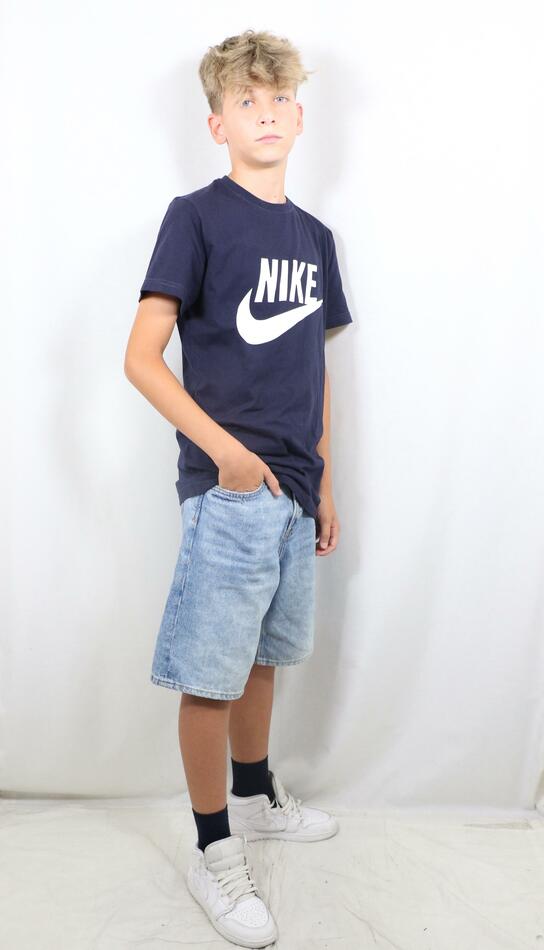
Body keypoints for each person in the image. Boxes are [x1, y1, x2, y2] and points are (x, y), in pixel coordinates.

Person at [124, 28, 353, 949]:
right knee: (211, 675)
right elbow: (142, 358)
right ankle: (213, 847)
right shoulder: (196, 216)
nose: (266, 112)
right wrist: (226, 456)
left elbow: (315, 372)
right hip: (230, 490)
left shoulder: (316, 239)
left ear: (300, 116)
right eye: (245, 101)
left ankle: (256, 798)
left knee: (263, 659)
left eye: (279, 98)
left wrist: (321, 480)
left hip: (294, 490)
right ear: (217, 124)